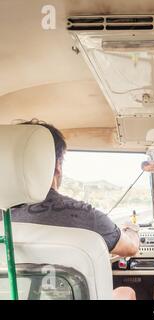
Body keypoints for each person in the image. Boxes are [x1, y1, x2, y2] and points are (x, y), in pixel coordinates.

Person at [9, 119, 139, 300]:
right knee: (126, 292)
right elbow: (130, 248)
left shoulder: (4, 220)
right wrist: (132, 230)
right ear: (57, 166)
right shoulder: (86, 217)